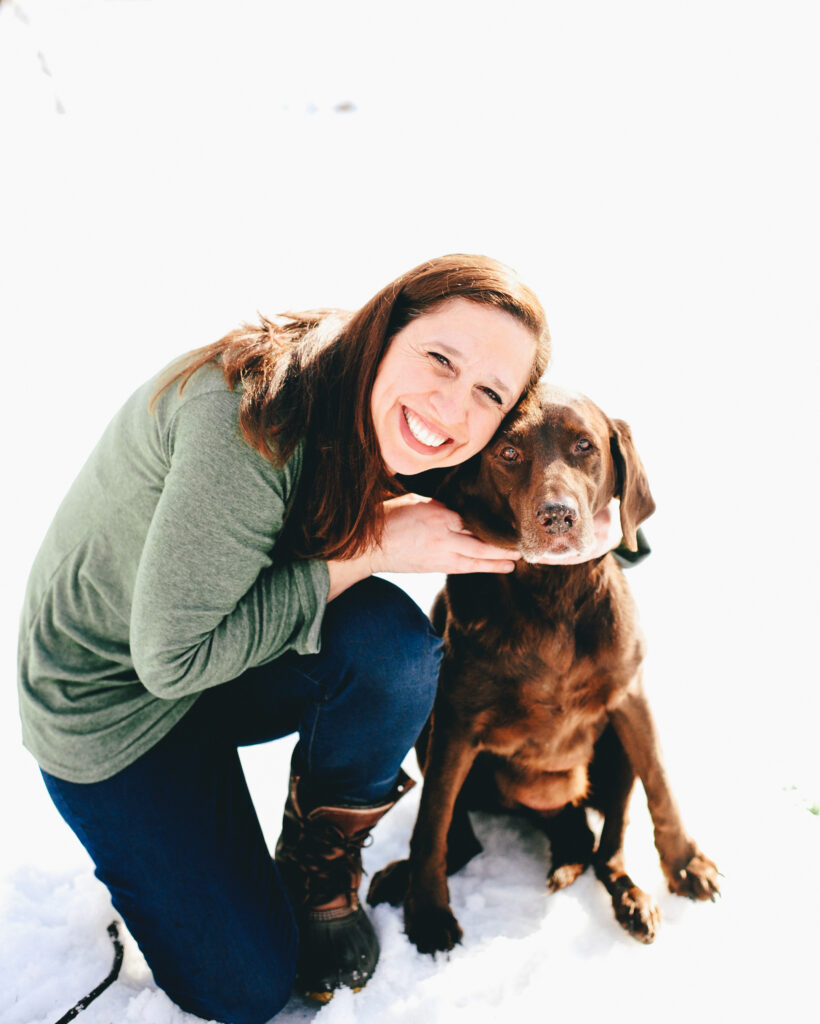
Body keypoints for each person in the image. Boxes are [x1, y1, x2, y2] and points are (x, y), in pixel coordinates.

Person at [17, 254, 619, 1023]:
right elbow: (172, 662)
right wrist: (370, 549)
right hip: (111, 702)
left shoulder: (410, 423)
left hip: (218, 660)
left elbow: (527, 487)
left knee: (391, 651)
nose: (450, 405)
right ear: (386, 326)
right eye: (441, 358)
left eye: (489, 394)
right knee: (246, 990)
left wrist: (584, 521)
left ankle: (316, 861)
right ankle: (161, 852)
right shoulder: (250, 422)